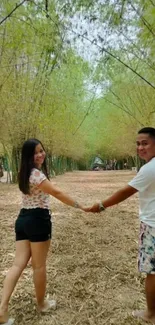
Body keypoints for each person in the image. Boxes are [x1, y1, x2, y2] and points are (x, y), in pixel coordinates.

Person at [0, 138, 86, 325]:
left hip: (23, 220)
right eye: (35, 152)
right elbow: (57, 193)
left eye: (41, 150)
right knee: (39, 266)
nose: (40, 154)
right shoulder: (37, 175)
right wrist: (80, 206)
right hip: (38, 220)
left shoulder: (23, 172)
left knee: (17, 265)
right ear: (29, 156)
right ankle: (41, 304)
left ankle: (2, 308)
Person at [86, 127, 155, 323]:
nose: (140, 147)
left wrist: (101, 205)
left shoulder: (149, 169)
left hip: (152, 226)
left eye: (145, 143)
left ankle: (151, 314)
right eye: (138, 143)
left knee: (151, 272)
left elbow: (126, 191)